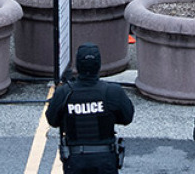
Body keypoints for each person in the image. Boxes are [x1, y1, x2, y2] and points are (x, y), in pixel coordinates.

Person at [46, 43, 135, 174]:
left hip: (75, 160)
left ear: (78, 65)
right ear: (98, 65)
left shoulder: (64, 93)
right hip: (105, 160)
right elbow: (127, 118)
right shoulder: (112, 92)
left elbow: (52, 121)